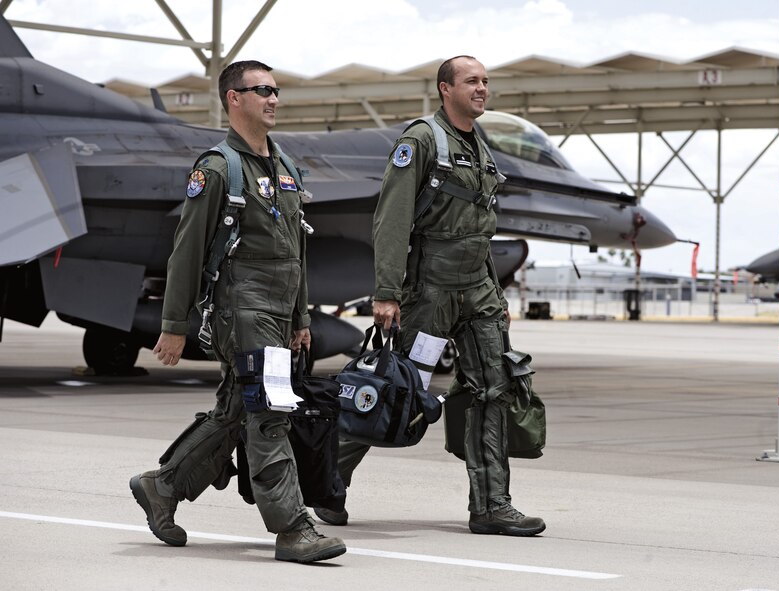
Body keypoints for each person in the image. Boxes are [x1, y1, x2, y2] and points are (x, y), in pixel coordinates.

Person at [316, 55, 545, 536]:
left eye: (486, 82)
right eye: (471, 82)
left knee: (494, 389)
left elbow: (480, 228)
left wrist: (495, 293)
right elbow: (392, 218)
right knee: (394, 390)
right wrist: (386, 292)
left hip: (477, 291)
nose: (482, 89)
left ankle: (491, 506)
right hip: (430, 291)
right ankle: (322, 486)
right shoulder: (421, 139)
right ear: (446, 89)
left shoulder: (479, 144)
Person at [129, 60, 346, 564]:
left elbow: (297, 251)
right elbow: (185, 251)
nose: (272, 98)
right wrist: (174, 326)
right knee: (269, 415)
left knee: (235, 414)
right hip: (242, 310)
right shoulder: (217, 168)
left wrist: (302, 318)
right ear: (234, 98)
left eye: (275, 90)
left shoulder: (286, 167)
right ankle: (292, 529)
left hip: (276, 313)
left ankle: (162, 486)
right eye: (261, 90)